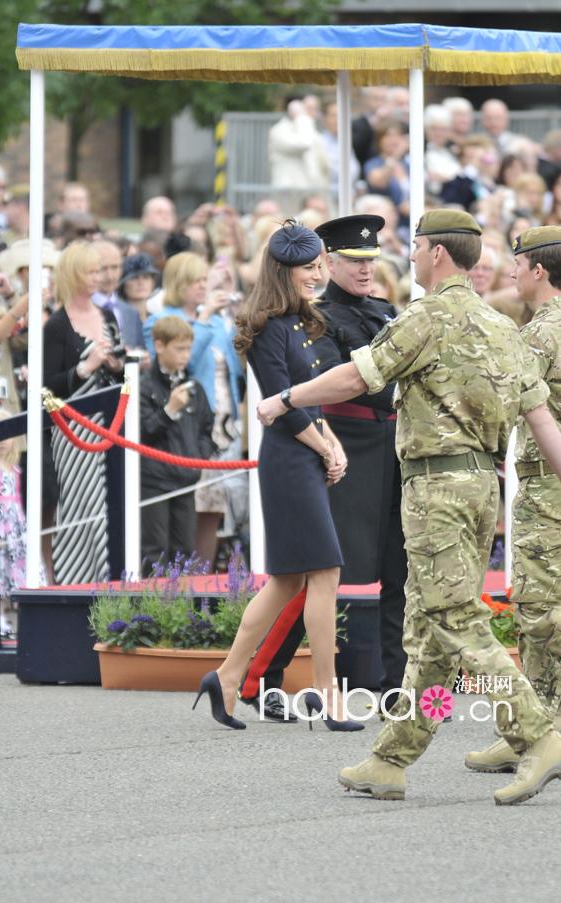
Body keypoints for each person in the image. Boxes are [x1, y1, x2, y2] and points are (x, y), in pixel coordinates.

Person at [257, 209, 561, 806]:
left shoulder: (424, 317)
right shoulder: (500, 324)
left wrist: (285, 399)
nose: (408, 257)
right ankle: (392, 758)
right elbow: (539, 412)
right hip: (482, 486)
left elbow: (356, 378)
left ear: (436, 253)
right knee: (428, 630)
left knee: (455, 618)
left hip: (437, 488)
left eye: (414, 248)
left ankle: (535, 736)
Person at [194, 220, 362, 732]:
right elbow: (282, 407)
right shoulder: (266, 325)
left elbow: (311, 399)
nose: (317, 275)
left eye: (318, 266)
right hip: (289, 459)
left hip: (305, 453)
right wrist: (326, 448)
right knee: (325, 573)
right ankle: (328, 693)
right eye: (307, 268)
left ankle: (226, 677)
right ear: (282, 271)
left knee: (287, 580)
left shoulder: (299, 321)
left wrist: (332, 446)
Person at [239, 215, 408, 720]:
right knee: (316, 573)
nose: (365, 269)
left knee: (399, 571)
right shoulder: (317, 317)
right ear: (330, 263)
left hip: (391, 444)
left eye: (371, 260)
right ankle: (261, 677)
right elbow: (347, 381)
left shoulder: (385, 310)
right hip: (342, 445)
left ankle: (396, 689)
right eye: (354, 261)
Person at [467, 229, 561, 773]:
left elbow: (507, 406)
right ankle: (539, 727)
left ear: (539, 271)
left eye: (518, 264)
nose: (512, 273)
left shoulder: (539, 334)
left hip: (556, 482)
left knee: (540, 605)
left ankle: (542, 723)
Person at [43, 241, 125, 585]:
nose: (97, 278)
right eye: (90, 272)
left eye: (98, 271)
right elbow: (47, 384)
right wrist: (84, 368)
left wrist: (118, 365)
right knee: (78, 503)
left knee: (109, 503)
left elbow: (121, 371)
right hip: (73, 430)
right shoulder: (57, 325)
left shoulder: (107, 316)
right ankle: (75, 580)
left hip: (110, 423)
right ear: (73, 275)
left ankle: (110, 577)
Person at [140, 316, 215, 574]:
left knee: (184, 552)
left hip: (186, 479)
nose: (185, 355)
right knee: (155, 552)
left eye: (188, 349)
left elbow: (207, 429)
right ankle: (151, 601)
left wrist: (198, 458)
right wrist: (169, 410)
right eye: (179, 349)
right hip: (154, 483)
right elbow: (141, 434)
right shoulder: (143, 386)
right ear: (159, 346)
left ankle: (183, 601)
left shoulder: (195, 388)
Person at [0, 409, 45, 637]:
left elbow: (17, 502)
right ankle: (1, 618)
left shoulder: (15, 468)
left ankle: (21, 617)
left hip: (16, 527)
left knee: (17, 570)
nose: (1, 442)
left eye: (5, 436)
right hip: (1, 527)